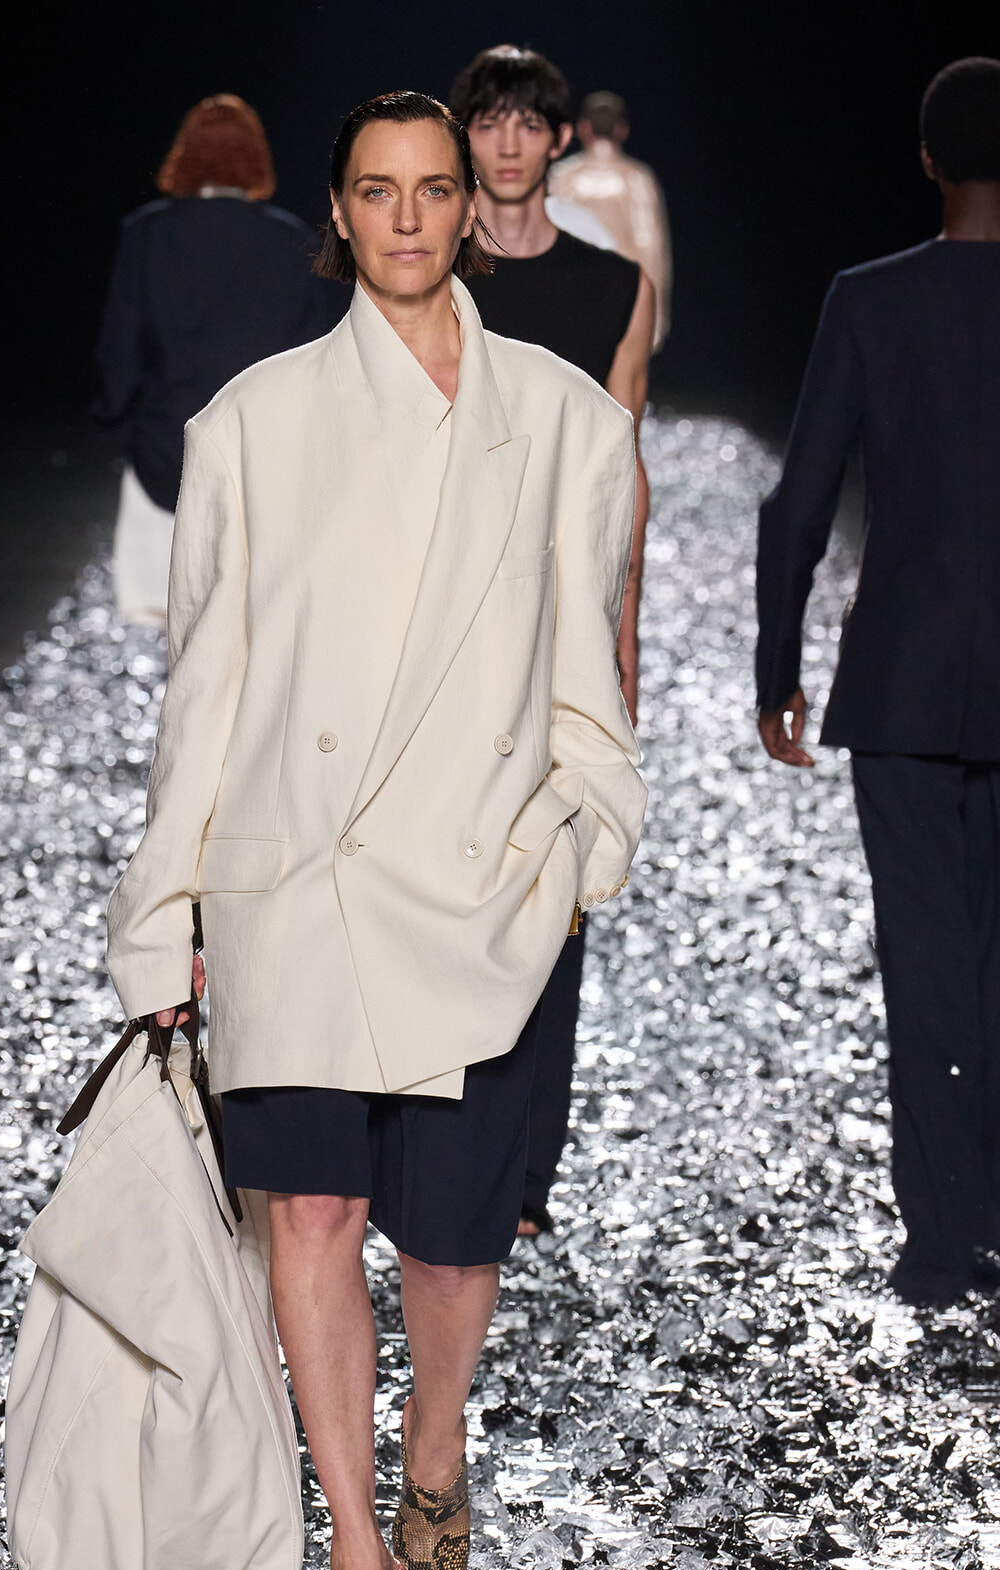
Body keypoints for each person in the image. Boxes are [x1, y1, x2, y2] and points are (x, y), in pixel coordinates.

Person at [106, 90, 645, 1570]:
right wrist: (163, 917)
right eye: (375, 190)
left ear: (468, 210)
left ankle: (434, 1447)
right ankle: (354, 1548)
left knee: (456, 1242)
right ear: (335, 215)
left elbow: (585, 666)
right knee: (317, 1213)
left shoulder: (564, 421)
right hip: (297, 879)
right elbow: (204, 693)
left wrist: (584, 844)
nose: (407, 217)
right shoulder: (250, 424)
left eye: (431, 189)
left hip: (481, 886)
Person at [756, 57, 1000, 1308]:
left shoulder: (871, 300)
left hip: (904, 683)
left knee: (925, 957)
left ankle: (944, 1240)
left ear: (926, 160)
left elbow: (800, 501)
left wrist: (777, 669)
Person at [450, 44, 655, 1236]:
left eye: (530, 123)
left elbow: (626, 466)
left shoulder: (615, 286)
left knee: (554, 886)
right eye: (491, 121)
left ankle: (525, 1172)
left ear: (560, 139)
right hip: (443, 622)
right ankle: (440, 1141)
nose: (510, 142)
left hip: (563, 622)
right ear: (465, 133)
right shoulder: (425, 278)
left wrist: (625, 636)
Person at [93, 95, 335, 625]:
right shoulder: (289, 240)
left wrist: (113, 415)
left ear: (185, 155)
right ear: (256, 158)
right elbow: (314, 354)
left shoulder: (146, 234)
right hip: (259, 457)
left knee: (168, 622)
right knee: (252, 620)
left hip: (165, 447)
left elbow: (121, 343)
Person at [550, 90, 672, 350]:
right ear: (621, 130)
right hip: (622, 301)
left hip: (570, 300)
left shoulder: (562, 177)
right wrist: (656, 317)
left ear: (583, 128)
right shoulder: (637, 179)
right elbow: (651, 250)